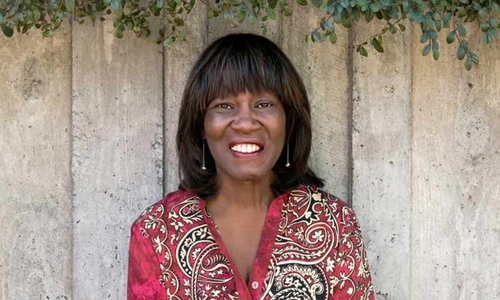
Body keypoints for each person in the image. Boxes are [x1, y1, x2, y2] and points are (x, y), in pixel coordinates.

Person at [127, 33, 374, 299]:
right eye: (224, 105)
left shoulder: (335, 224)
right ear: (201, 124)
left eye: (264, 104)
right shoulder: (158, 232)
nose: (245, 123)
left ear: (288, 121)